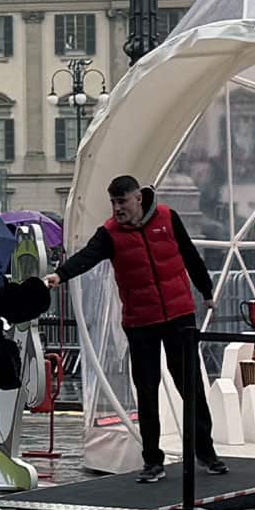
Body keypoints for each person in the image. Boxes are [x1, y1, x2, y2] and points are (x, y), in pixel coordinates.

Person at [46, 175, 226, 482]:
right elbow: (87, 257)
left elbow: (189, 254)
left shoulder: (168, 218)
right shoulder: (110, 234)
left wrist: (206, 290)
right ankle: (152, 461)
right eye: (113, 203)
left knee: (191, 387)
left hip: (179, 315)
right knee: (146, 390)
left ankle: (206, 452)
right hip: (140, 322)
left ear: (138, 198)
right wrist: (60, 275)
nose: (117, 209)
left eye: (123, 202)